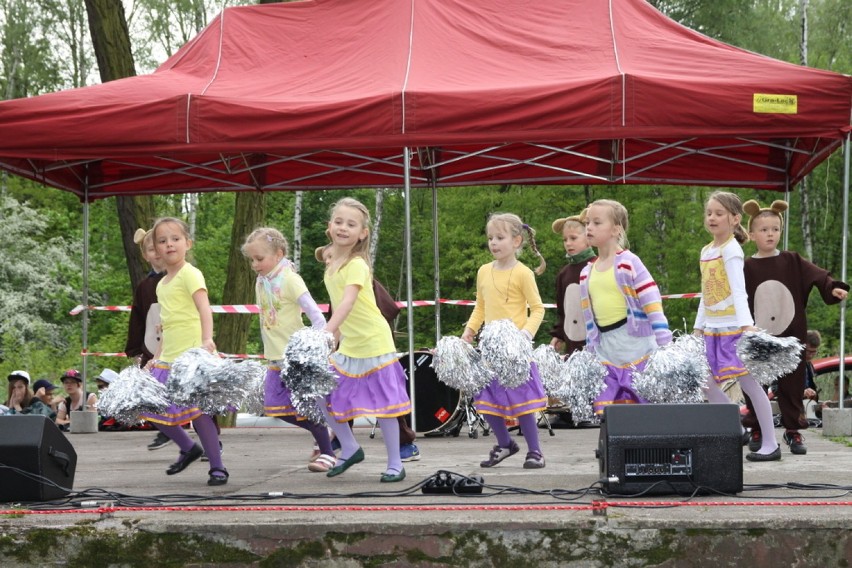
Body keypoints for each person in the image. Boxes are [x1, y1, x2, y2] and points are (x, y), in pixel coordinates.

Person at [742, 200, 848, 455]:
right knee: (757, 385)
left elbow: (819, 275)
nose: (770, 234)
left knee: (791, 387)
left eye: (775, 229)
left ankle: (793, 431)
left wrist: (832, 286)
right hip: (758, 338)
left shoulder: (792, 260)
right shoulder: (745, 266)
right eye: (764, 229)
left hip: (790, 337)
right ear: (752, 234)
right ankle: (758, 429)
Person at [318, 197, 412, 482]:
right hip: (349, 344)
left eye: (351, 224)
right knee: (320, 393)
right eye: (338, 222)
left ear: (362, 233)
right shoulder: (331, 260)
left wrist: (326, 329)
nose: (343, 228)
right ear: (330, 226)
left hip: (374, 342)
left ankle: (395, 463)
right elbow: (338, 305)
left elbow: (346, 303)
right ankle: (349, 445)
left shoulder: (358, 264)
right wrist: (333, 336)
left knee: (385, 407)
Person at [141, 216, 228, 486]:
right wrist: (156, 358)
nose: (169, 245)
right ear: (155, 249)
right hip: (168, 359)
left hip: (191, 356)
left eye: (175, 239)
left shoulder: (191, 274)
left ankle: (217, 467)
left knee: (199, 413)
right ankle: (188, 447)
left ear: (187, 243)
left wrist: (206, 340)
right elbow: (166, 325)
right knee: (150, 406)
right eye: (162, 241)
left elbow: (204, 308)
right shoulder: (161, 284)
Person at [693, 191, 780, 462]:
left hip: (733, 328)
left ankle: (771, 443)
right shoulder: (707, 250)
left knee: (751, 385)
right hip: (712, 330)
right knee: (704, 381)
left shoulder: (731, 249)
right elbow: (706, 294)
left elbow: (739, 291)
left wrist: (746, 326)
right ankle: (736, 426)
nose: (712, 218)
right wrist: (698, 327)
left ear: (734, 219)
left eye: (719, 213)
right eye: (709, 213)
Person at [242, 227, 337, 473]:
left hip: (296, 360)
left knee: (306, 407)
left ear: (279, 254)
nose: (254, 264)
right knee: (274, 407)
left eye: (259, 259)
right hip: (274, 358)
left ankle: (327, 452)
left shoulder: (290, 279)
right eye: (251, 259)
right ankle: (324, 431)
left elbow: (318, 318)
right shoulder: (261, 281)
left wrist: (312, 348)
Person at [461, 212, 549, 469]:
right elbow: (480, 307)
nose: (494, 243)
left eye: (500, 237)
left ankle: (535, 452)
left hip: (515, 352)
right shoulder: (483, 271)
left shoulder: (523, 273)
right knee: (484, 399)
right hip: (489, 352)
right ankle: (504, 443)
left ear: (517, 241)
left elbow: (538, 309)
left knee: (522, 403)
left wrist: (525, 335)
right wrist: (469, 331)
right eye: (490, 238)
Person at [580, 199, 671, 416]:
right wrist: (590, 347)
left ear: (616, 229)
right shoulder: (586, 271)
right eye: (587, 223)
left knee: (643, 406)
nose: (589, 228)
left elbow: (651, 300)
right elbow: (589, 316)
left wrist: (665, 342)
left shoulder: (629, 262)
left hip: (636, 346)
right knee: (608, 409)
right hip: (606, 349)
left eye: (596, 222)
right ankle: (613, 449)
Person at [125, 227, 171, 450]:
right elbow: (138, 316)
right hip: (153, 345)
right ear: (145, 255)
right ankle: (166, 429)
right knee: (150, 389)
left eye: (159, 247)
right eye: (151, 249)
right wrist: (135, 348)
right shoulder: (144, 287)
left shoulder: (179, 278)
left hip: (180, 344)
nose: (157, 253)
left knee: (194, 392)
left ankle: (212, 437)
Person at [547, 210, 595, 426]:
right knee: (573, 369)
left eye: (573, 238)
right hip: (572, 333)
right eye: (565, 239)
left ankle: (593, 410)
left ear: (588, 237)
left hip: (594, 334)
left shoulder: (597, 265)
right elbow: (562, 309)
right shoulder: (564, 273)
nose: (568, 243)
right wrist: (558, 335)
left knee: (592, 369)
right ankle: (571, 411)